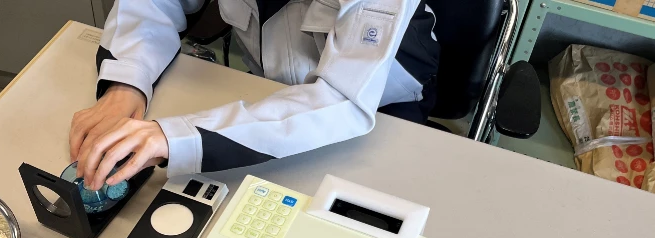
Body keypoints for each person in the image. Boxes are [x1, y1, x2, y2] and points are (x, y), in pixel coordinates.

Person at [69, 0, 440, 190]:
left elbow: (341, 99)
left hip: (380, 119)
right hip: (265, 99)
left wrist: (175, 138)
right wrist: (126, 81)